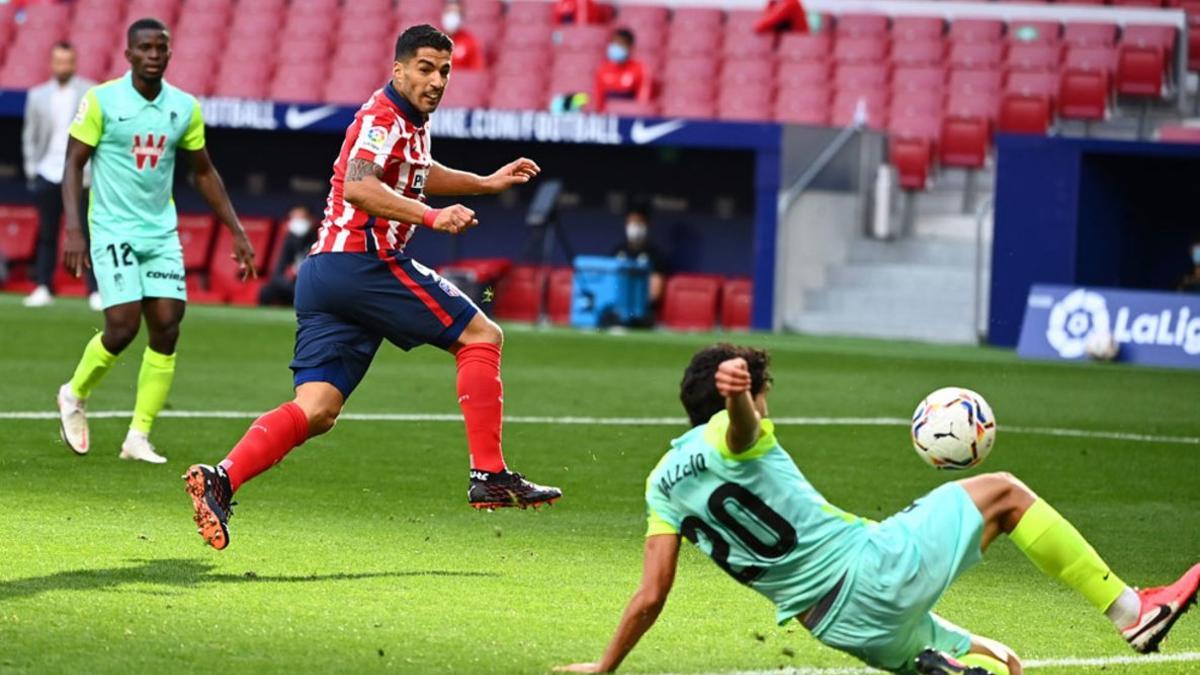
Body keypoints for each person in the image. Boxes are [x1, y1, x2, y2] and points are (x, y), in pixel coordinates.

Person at [555, 343, 1200, 674]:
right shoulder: (734, 434)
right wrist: (742, 401)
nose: (764, 402)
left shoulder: (661, 481)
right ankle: (1133, 612)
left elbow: (650, 596)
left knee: (1002, 664)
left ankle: (944, 667)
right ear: (736, 397)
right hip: (870, 570)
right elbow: (742, 435)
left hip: (835, 626)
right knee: (1003, 492)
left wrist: (605, 665)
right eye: (761, 391)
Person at [183, 25, 562, 552]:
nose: (436, 81)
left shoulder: (408, 123)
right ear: (398, 69)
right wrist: (431, 217)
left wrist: (483, 182)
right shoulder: (382, 118)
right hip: (365, 263)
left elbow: (416, 173)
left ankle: (222, 477)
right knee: (482, 335)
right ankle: (489, 474)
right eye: (425, 68)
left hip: (325, 276)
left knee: (316, 410)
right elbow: (360, 185)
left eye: (445, 71)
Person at [56, 18, 256, 464]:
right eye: (144, 48)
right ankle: (73, 393)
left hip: (160, 232)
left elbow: (203, 171)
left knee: (167, 325)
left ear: (168, 54)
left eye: (160, 48)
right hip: (112, 228)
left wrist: (236, 230)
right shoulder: (102, 101)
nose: (152, 55)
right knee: (123, 325)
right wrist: (74, 229)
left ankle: (137, 437)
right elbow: (72, 164)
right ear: (128, 55)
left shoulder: (183, 108)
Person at [21, 41, 100, 310]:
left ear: (74, 63)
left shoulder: (90, 91)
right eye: (58, 61)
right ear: (51, 63)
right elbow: (29, 136)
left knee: (87, 233)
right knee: (47, 232)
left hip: (81, 175)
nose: (62, 66)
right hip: (48, 172)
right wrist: (33, 168)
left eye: (67, 61)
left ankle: (95, 290)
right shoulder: (37, 95)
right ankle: (44, 286)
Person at [611, 201, 668, 314]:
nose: (634, 227)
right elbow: (610, 285)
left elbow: (654, 294)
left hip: (643, 312)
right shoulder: (617, 251)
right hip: (615, 309)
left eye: (638, 222)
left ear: (646, 225)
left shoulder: (655, 254)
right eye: (631, 222)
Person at [257, 204, 318, 307]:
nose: (297, 222)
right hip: (293, 285)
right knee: (267, 291)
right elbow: (278, 273)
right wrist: (290, 285)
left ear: (311, 219)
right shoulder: (290, 240)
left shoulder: (320, 239)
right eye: (294, 218)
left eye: (301, 218)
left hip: (313, 285)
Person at [593, 28, 651, 113]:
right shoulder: (603, 69)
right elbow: (599, 99)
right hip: (608, 116)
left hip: (629, 115)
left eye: (620, 44)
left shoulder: (640, 69)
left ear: (630, 48)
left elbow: (642, 100)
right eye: (614, 43)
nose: (616, 47)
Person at [441, 0, 484, 71]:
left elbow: (477, 73)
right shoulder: (434, 40)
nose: (451, 17)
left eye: (455, 13)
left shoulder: (470, 42)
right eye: (449, 12)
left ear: (461, 18)